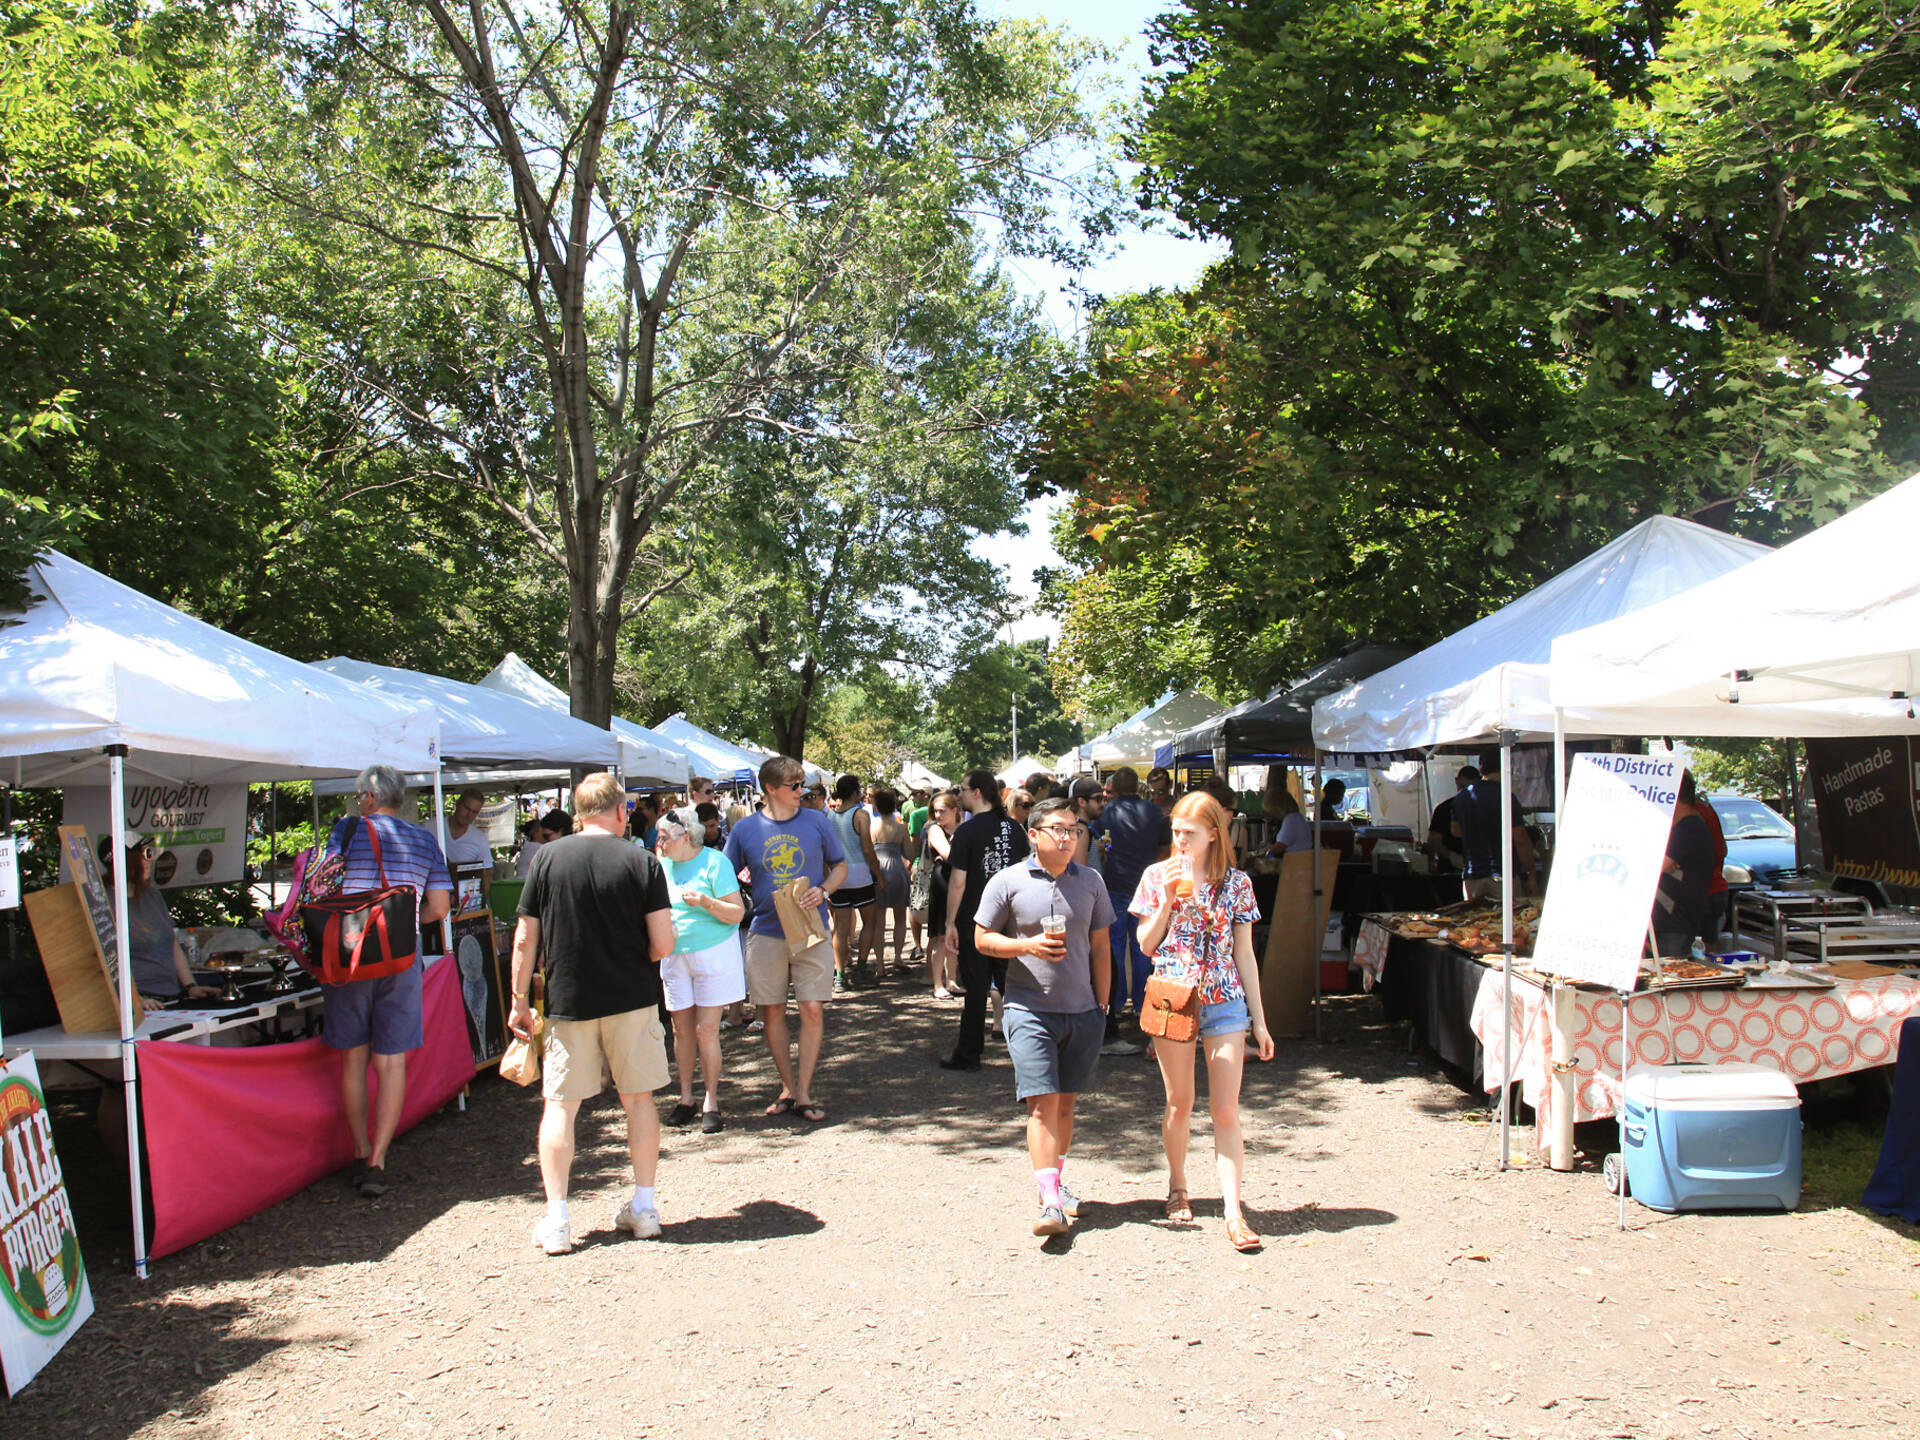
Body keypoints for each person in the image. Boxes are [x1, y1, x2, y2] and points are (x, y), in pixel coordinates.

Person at [509, 773, 675, 1253]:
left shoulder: (546, 860)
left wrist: (519, 1001)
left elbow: (525, 938)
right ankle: (643, 1207)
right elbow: (662, 942)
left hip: (569, 1001)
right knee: (639, 1100)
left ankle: (558, 1219)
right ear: (622, 812)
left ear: (577, 814)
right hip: (632, 997)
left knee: (560, 1106)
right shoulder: (643, 862)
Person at [1132, 792, 1275, 1251]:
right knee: (1180, 1102)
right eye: (1175, 832)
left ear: (1214, 833)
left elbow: (1246, 955)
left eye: (1189, 833)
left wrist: (1260, 1020)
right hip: (1173, 995)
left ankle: (1234, 1211)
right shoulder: (1158, 876)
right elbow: (1145, 946)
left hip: (1224, 999)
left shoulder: (1237, 883)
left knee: (1226, 1108)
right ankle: (1178, 1186)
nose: (1181, 841)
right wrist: (1168, 900)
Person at [972, 798, 1113, 1237]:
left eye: (1074, 829)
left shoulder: (1090, 881)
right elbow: (981, 939)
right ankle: (1050, 1202)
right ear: (1033, 835)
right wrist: (1026, 946)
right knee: (1042, 1105)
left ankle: (1054, 1182)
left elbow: (1102, 945)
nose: (1068, 837)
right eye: (1059, 829)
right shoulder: (1007, 881)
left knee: (1066, 1105)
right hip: (1027, 1009)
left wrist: (1103, 1005)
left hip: (1083, 1011)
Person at [321, 765, 453, 1199]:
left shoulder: (346, 830)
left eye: (360, 795)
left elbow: (320, 888)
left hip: (350, 953)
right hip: (401, 953)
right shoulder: (424, 840)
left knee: (353, 1060)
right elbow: (439, 908)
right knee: (391, 1061)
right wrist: (405, 920)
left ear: (369, 798)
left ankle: (359, 1150)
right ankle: (379, 1159)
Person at [724, 755, 848, 1124]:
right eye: (794, 786)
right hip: (765, 931)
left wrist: (824, 890)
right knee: (772, 1010)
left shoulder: (817, 822)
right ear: (770, 790)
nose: (802, 792)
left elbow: (840, 865)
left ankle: (804, 1092)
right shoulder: (745, 830)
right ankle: (787, 1086)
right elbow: (725, 875)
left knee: (812, 1008)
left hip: (812, 930)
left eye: (803, 785)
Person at [653, 805, 746, 1134]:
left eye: (664, 837)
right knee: (680, 1030)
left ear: (686, 837)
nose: (660, 843)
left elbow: (737, 913)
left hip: (713, 953)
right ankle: (685, 1097)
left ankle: (711, 1100)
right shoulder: (662, 865)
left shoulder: (714, 862)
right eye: (659, 837)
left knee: (706, 1030)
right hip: (675, 955)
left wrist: (705, 902)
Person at [939, 769, 1030, 1072]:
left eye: (962, 790)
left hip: (975, 919)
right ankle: (1032, 1047)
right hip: (1011, 917)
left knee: (976, 985)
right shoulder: (1015, 829)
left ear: (977, 793)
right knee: (1014, 984)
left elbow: (958, 882)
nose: (959, 795)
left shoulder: (966, 832)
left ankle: (969, 1053)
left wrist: (949, 921)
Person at [1089, 766, 1170, 1052]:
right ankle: (1142, 1002)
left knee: (1112, 948)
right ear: (1136, 786)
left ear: (1113, 788)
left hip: (1115, 883)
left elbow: (1098, 847)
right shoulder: (1154, 812)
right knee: (1144, 948)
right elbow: (1165, 845)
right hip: (1146, 885)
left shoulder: (1105, 814)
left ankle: (1116, 1003)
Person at [96, 836, 219, 1009]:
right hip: (140, 1002)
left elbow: (172, 944)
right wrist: (134, 1000)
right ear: (126, 859)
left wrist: (190, 986)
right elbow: (103, 962)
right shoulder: (104, 904)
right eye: (146, 853)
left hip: (171, 996)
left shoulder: (152, 895)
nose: (151, 858)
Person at [1452, 752, 1536, 902]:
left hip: (1472, 876)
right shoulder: (1505, 796)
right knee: (1509, 921)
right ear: (1506, 766)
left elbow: (1456, 831)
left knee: (1475, 922)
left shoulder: (1461, 796)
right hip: (1501, 873)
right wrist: (1531, 875)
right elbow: (1520, 839)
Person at [828, 773, 882, 990]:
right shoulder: (860, 815)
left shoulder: (830, 816)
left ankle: (839, 974)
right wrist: (878, 874)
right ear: (853, 792)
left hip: (837, 874)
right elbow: (868, 850)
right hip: (859, 873)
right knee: (869, 921)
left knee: (840, 927)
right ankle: (860, 967)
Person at [1655, 772, 1717, 956]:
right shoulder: (1684, 827)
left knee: (1670, 976)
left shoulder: (1689, 827)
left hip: (1675, 922)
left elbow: (1656, 865)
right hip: (1668, 921)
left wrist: (1659, 862)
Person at [923, 790, 964, 999]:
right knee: (940, 935)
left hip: (961, 882)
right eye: (935, 811)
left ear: (954, 810)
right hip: (942, 882)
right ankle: (938, 984)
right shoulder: (935, 830)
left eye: (942, 811)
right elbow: (950, 855)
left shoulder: (963, 828)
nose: (938, 815)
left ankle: (952, 980)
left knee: (956, 934)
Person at [868, 786, 913, 975]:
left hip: (876, 869)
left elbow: (867, 852)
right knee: (900, 916)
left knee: (878, 920)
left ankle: (879, 965)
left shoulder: (870, 827)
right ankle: (898, 956)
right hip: (896, 869)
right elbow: (910, 853)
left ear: (876, 806)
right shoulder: (901, 827)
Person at [442, 787, 493, 909]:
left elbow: (486, 874)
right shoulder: (432, 826)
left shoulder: (479, 839)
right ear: (457, 804)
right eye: (466, 808)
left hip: (462, 904)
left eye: (474, 812)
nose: (469, 815)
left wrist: (479, 906)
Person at [1422, 766, 1479, 873]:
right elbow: (1433, 840)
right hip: (1449, 870)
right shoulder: (1444, 809)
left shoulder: (1482, 807)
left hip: (1478, 869)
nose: (1465, 792)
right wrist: (1452, 857)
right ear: (1456, 781)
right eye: (1462, 787)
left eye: (1470, 788)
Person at [906, 787, 934, 962]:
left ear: (926, 795)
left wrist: (912, 863)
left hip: (921, 864)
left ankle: (918, 945)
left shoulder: (917, 815)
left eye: (915, 793)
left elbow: (914, 843)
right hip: (935, 865)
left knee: (915, 902)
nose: (912, 796)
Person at [1263, 791, 1314, 857]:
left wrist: (1265, 850)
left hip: (1296, 861)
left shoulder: (1291, 820)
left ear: (1277, 807)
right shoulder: (1297, 817)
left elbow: (1280, 846)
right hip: (1303, 859)